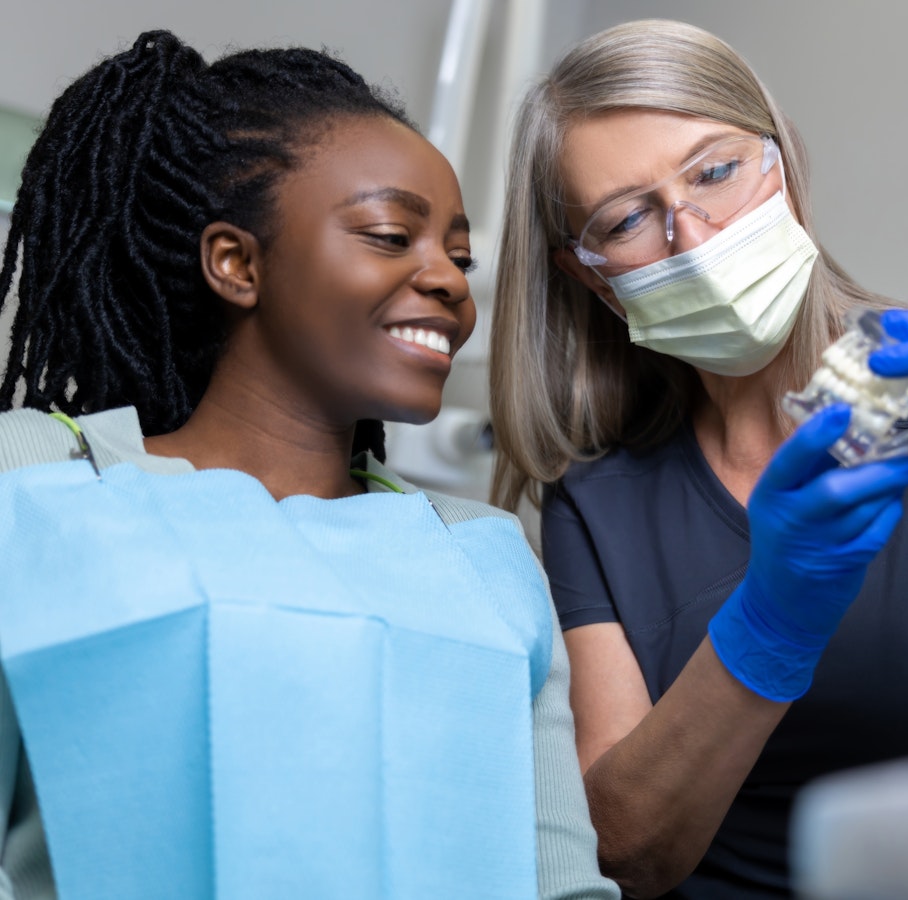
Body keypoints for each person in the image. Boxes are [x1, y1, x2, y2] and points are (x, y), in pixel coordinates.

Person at [0, 31, 620, 900]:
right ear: (236, 263)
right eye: (389, 234)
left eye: (459, 255)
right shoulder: (33, 475)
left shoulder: (484, 552)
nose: (446, 279)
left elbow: (561, 881)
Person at [488, 18, 908, 899]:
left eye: (715, 172)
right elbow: (622, 853)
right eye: (627, 218)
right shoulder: (593, 497)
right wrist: (770, 622)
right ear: (594, 277)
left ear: (785, 165)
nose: (693, 238)